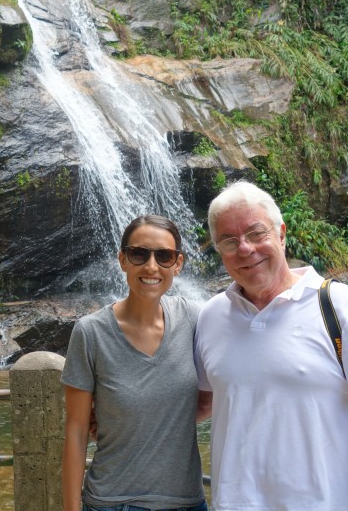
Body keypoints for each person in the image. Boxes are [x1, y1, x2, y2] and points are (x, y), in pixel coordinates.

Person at [194, 181, 348, 511]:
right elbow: (201, 403)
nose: (245, 248)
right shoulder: (211, 316)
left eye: (256, 233)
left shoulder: (339, 307)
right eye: (229, 240)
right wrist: (109, 416)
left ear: (281, 233)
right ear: (219, 250)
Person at [61, 214, 210, 511]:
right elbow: (76, 431)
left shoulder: (196, 319)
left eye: (164, 256)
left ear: (178, 264)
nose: (151, 266)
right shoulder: (90, 332)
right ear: (123, 260)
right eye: (139, 253)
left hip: (187, 502)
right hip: (112, 502)